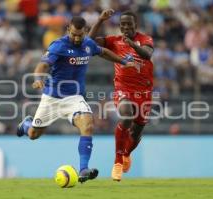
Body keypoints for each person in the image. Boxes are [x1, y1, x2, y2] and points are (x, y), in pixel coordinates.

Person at [17, 16, 134, 183]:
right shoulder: (59, 45)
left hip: (74, 98)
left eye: (80, 35)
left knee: (87, 124)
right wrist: (38, 78)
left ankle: (83, 169)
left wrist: (123, 61)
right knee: (33, 134)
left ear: (85, 32)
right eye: (73, 34)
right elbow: (43, 65)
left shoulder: (88, 44)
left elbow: (103, 52)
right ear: (68, 31)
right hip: (52, 98)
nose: (77, 38)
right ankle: (26, 125)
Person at [89, 10, 154, 181]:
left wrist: (132, 44)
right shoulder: (114, 41)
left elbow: (147, 55)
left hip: (144, 92)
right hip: (123, 88)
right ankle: (117, 162)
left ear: (135, 25)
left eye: (129, 24)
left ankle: (126, 154)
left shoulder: (145, 39)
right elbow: (88, 42)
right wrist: (100, 20)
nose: (125, 27)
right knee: (126, 116)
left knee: (137, 132)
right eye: (122, 24)